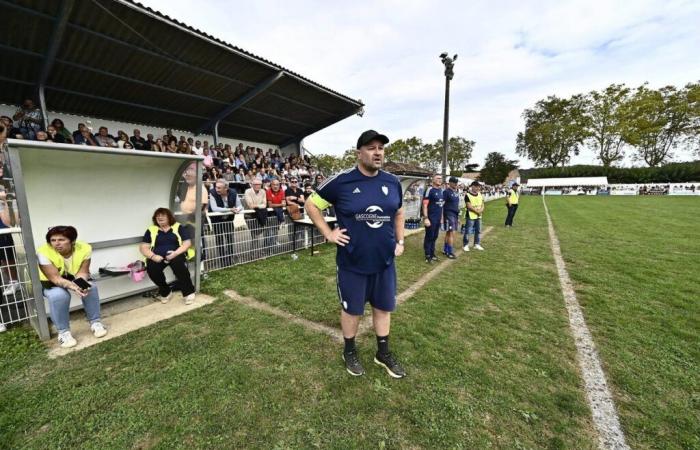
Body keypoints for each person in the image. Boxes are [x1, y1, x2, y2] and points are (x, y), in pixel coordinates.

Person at [305, 129, 406, 379]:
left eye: (381, 148)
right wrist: (328, 233)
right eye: (371, 148)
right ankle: (349, 350)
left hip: (384, 261)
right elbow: (311, 204)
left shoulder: (392, 182)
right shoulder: (342, 181)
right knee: (353, 311)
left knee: (383, 307)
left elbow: (399, 212)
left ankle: (382, 352)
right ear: (358, 152)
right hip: (352, 261)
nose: (378, 152)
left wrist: (400, 240)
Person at [37, 226, 107, 348]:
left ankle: (96, 323)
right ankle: (63, 333)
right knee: (60, 295)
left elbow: (83, 271)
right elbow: (55, 278)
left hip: (72, 277)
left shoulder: (85, 248)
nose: (57, 244)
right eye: (53, 240)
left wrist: (81, 285)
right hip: (50, 282)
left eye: (61, 240)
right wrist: (73, 287)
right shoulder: (43, 252)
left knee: (90, 287)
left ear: (72, 241)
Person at [139, 208, 196, 305]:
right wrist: (153, 256)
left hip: (176, 254)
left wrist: (175, 253)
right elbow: (143, 247)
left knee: (178, 264)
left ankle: (188, 292)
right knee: (152, 268)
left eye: (162, 215)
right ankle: (166, 292)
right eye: (157, 216)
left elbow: (187, 243)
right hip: (158, 257)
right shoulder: (151, 230)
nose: (159, 217)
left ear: (169, 217)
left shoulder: (178, 227)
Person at [208, 179, 242, 267]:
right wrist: (229, 210)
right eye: (216, 187)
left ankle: (230, 258)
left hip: (229, 219)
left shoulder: (233, 192)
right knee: (219, 240)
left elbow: (240, 205)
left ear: (226, 188)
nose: (217, 189)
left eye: (219, 188)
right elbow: (214, 208)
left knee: (230, 238)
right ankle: (223, 260)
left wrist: (237, 209)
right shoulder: (212, 193)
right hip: (217, 220)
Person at [422, 174, 444, 263]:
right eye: (438, 178)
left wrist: (442, 217)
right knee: (429, 236)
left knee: (435, 236)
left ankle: (432, 253)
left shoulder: (441, 191)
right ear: (433, 180)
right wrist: (426, 218)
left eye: (441, 178)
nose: (440, 180)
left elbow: (441, 205)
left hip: (438, 218)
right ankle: (427, 255)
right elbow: (425, 205)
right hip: (431, 218)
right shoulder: (429, 190)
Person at [243, 179, 267, 258]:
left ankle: (254, 252)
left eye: (259, 184)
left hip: (260, 215)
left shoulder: (263, 191)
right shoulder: (247, 191)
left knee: (258, 234)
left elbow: (265, 204)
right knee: (255, 235)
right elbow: (250, 205)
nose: (258, 186)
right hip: (249, 216)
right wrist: (260, 206)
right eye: (256, 184)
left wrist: (256, 206)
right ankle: (253, 253)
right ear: (252, 184)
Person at [442, 176, 461, 259]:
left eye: (457, 182)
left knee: (449, 233)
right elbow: (441, 204)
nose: (456, 184)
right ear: (450, 183)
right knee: (451, 233)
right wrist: (442, 216)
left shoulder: (456, 192)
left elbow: (456, 205)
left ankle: (445, 249)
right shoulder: (446, 192)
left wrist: (458, 216)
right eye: (454, 182)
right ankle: (449, 252)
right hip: (449, 214)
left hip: (455, 214)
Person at [463, 181, 485, 251]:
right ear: (472, 186)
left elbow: (482, 204)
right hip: (470, 216)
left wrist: (481, 210)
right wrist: (477, 212)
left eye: (478, 186)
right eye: (476, 186)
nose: (477, 188)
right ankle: (466, 245)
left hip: (478, 216)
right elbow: (469, 206)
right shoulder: (467, 195)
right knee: (468, 231)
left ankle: (477, 244)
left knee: (478, 230)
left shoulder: (480, 194)